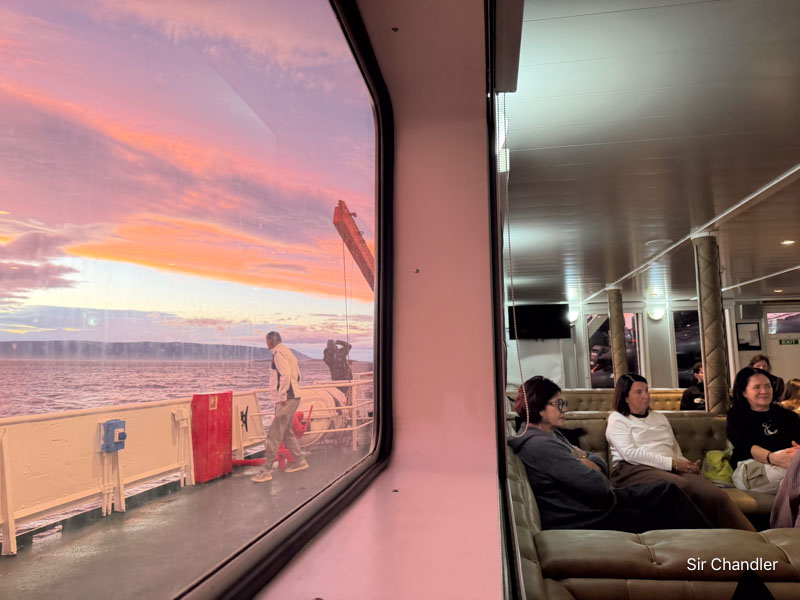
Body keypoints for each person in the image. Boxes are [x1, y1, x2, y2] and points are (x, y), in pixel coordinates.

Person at [508, 376, 711, 532]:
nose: (565, 409)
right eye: (559, 404)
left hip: (596, 504)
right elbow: (599, 485)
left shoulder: (551, 435)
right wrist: (582, 458)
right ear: (539, 408)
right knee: (665, 509)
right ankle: (706, 547)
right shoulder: (541, 445)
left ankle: (711, 540)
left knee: (668, 490)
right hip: (586, 516)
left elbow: (600, 465)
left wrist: (583, 458)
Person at [606, 374, 754, 530]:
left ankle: (752, 537)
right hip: (632, 468)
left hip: (670, 467)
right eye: (639, 392)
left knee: (715, 494)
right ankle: (707, 536)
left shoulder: (659, 417)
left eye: (646, 390)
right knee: (680, 486)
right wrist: (673, 464)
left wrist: (686, 465)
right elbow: (630, 453)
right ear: (625, 397)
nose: (646, 396)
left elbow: (674, 449)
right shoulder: (618, 419)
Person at [726, 367, 800, 493]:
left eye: (768, 386)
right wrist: (773, 458)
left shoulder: (788, 416)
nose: (764, 391)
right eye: (757, 387)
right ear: (744, 392)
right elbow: (746, 445)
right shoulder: (736, 416)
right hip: (751, 470)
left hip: (787, 467)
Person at [252, 331, 309, 482]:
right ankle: (300, 461)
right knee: (286, 432)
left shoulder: (278, 354)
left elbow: (286, 374)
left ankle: (266, 471)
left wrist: (282, 395)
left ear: (270, 342)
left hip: (287, 399)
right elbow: (297, 375)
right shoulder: (288, 352)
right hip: (293, 397)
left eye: (266, 341)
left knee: (274, 434)